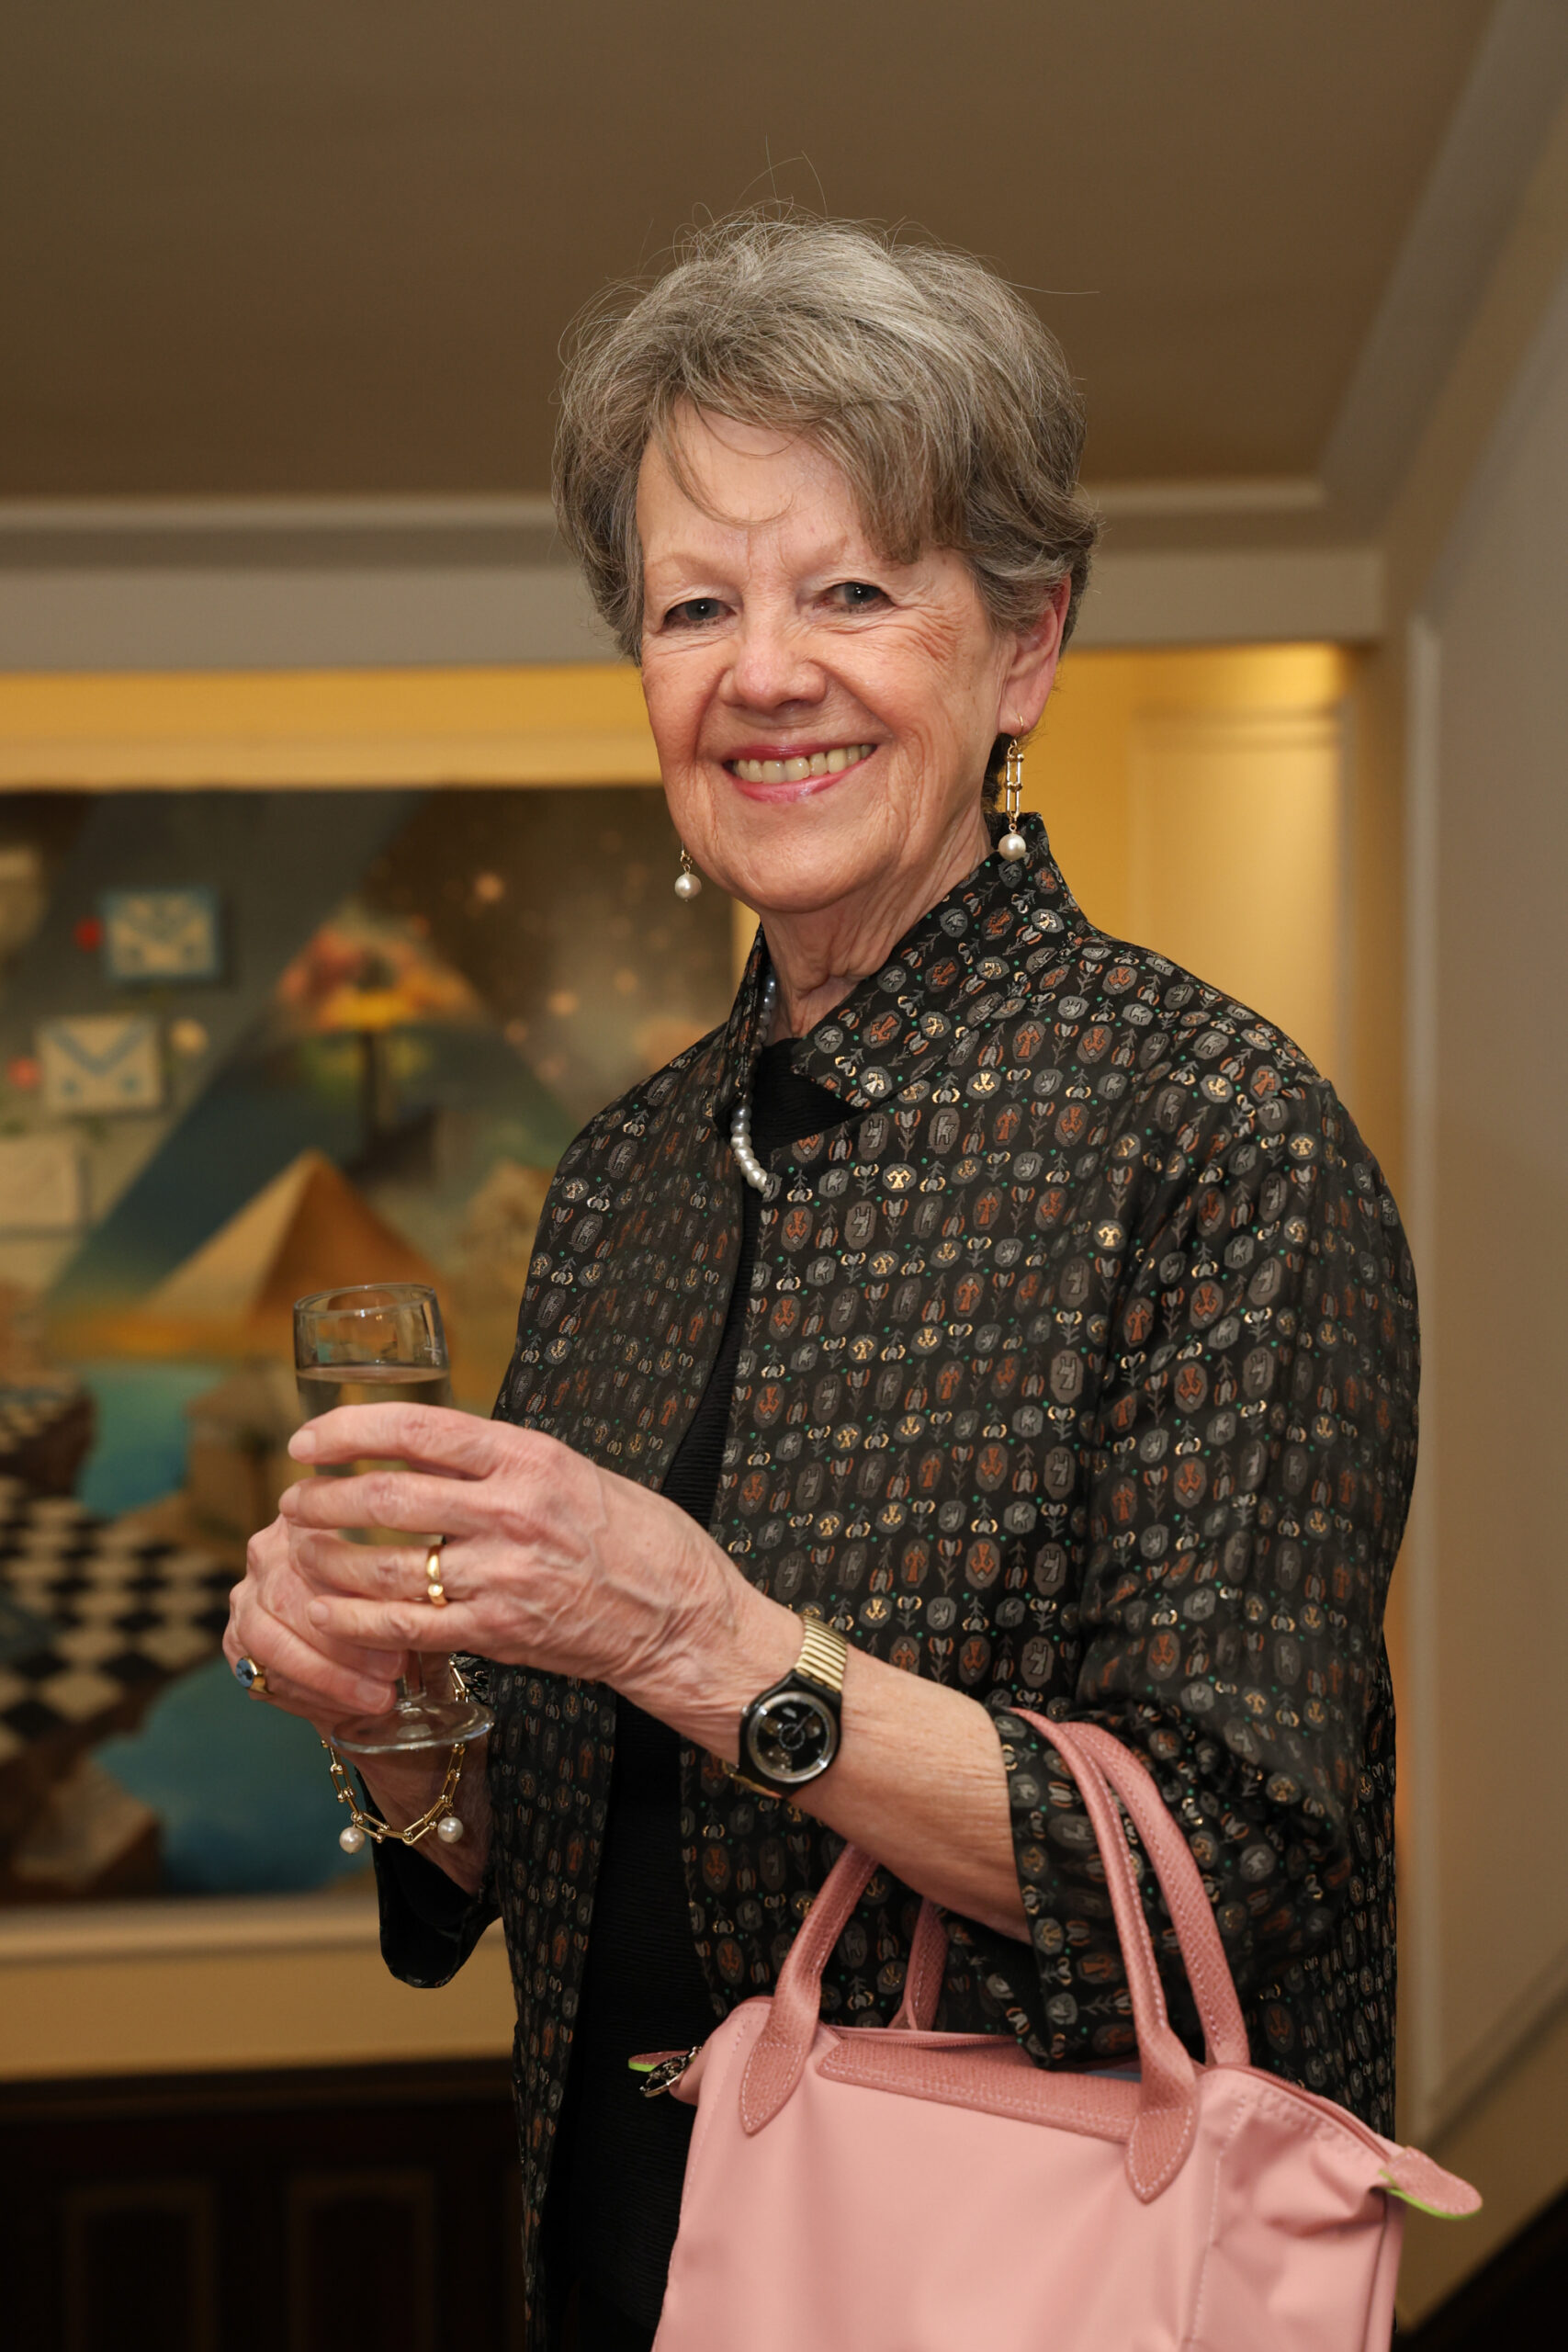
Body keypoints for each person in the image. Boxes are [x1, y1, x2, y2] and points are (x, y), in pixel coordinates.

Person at [225, 212, 1416, 2352]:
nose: (761, 671)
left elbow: (1225, 1869)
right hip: (621, 2268)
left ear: (1023, 646)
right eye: (696, 605)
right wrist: (393, 1723)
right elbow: (569, 1855)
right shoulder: (625, 1176)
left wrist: (697, 1634)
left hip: (1015, 2287)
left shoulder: (1209, 1131)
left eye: (852, 590)